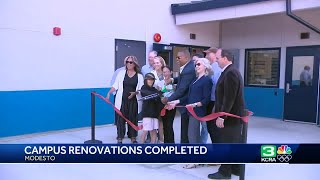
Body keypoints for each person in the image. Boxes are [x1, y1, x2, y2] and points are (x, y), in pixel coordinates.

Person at [208, 49, 245, 179]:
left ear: (225, 58)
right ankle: (235, 168)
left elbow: (229, 97)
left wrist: (222, 116)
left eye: (218, 58)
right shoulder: (230, 71)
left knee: (227, 143)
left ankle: (225, 172)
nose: (216, 61)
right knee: (233, 143)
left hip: (230, 117)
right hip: (231, 116)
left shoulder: (230, 73)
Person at [168, 58, 212, 169]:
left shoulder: (207, 80)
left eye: (198, 64)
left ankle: (194, 160)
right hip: (191, 111)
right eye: (196, 65)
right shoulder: (195, 80)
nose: (196, 66)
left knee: (193, 135)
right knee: (193, 136)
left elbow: (206, 99)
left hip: (198, 112)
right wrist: (177, 101)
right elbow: (188, 96)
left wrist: (195, 105)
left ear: (205, 66)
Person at [106, 56, 144, 144]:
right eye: (127, 62)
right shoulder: (121, 73)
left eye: (131, 62)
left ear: (135, 64)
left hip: (133, 100)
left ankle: (133, 136)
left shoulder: (139, 76)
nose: (128, 64)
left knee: (133, 118)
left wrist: (135, 93)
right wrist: (109, 93)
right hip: (122, 100)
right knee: (120, 119)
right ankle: (120, 136)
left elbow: (141, 89)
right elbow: (115, 85)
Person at [163, 49, 196, 143]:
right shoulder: (187, 67)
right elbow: (181, 78)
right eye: (176, 57)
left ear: (186, 57)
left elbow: (181, 90)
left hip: (186, 103)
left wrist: (168, 99)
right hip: (184, 102)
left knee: (185, 131)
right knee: (185, 129)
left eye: (179, 57)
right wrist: (173, 80)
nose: (177, 59)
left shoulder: (188, 70)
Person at [204, 47, 222, 143]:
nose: (206, 56)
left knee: (213, 128)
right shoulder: (211, 67)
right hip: (211, 101)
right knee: (211, 128)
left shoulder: (216, 68)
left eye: (208, 54)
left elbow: (216, 85)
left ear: (215, 55)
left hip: (214, 101)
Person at [140, 73, 164, 143]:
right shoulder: (143, 88)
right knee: (145, 130)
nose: (150, 81)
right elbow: (146, 94)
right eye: (149, 79)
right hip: (147, 114)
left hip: (155, 114)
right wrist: (158, 94)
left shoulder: (154, 89)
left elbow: (159, 100)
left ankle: (152, 146)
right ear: (146, 80)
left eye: (152, 80)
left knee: (154, 131)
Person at [158, 66, 176, 143]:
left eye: (167, 71)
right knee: (165, 125)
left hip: (171, 106)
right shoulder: (160, 83)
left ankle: (171, 144)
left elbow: (176, 93)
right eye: (164, 72)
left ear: (171, 72)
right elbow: (159, 94)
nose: (165, 73)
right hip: (163, 106)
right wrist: (162, 100)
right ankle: (166, 144)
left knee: (169, 125)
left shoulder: (174, 82)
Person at [151, 56, 166, 143]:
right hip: (154, 101)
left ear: (162, 63)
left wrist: (162, 89)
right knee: (153, 121)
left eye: (158, 63)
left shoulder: (166, 73)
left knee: (161, 121)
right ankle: (153, 139)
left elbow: (169, 87)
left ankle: (161, 139)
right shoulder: (151, 73)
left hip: (163, 100)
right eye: (154, 63)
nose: (156, 64)